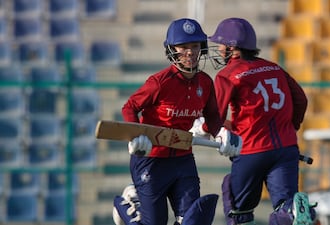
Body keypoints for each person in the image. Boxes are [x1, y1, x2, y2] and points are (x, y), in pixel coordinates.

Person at [114, 18, 242, 225]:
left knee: (192, 220)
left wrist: (221, 133)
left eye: (194, 46)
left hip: (183, 158)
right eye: (183, 47)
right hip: (151, 159)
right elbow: (129, 107)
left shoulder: (205, 82)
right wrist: (136, 135)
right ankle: (129, 205)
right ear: (172, 49)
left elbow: (212, 116)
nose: (190, 52)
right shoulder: (159, 82)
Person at [192, 17, 315, 225]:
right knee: (282, 208)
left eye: (221, 44)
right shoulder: (274, 67)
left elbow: (216, 116)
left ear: (233, 48)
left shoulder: (227, 75)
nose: (219, 49)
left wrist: (202, 127)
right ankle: (292, 210)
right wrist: (290, 126)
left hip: (251, 150)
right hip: (286, 149)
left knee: (237, 207)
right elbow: (300, 99)